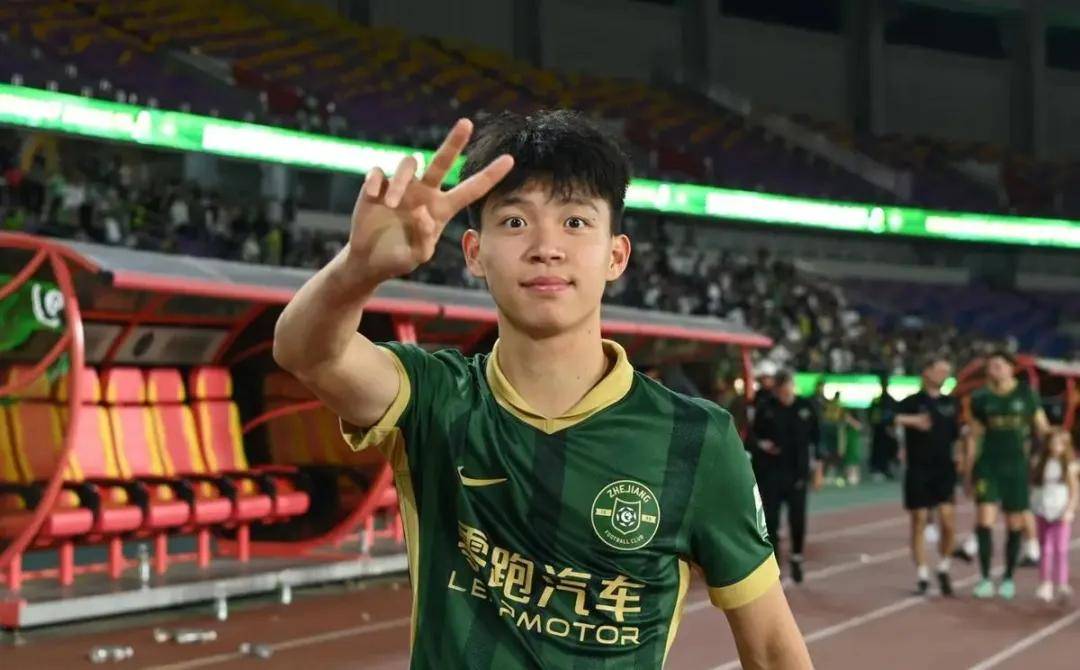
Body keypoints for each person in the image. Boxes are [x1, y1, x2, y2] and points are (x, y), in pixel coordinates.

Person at [273, 112, 811, 668]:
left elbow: (773, 649)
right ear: (474, 253)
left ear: (616, 256)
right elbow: (307, 354)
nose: (546, 247)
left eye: (575, 222)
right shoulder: (434, 399)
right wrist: (357, 269)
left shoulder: (696, 440)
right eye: (515, 222)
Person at [964, 351, 1051, 600]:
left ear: (1011, 368)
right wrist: (968, 472)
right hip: (988, 466)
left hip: (1016, 467)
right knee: (984, 521)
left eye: (999, 365)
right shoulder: (980, 397)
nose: (994, 370)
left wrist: (1047, 458)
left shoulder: (1026, 394)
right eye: (991, 366)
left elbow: (1043, 429)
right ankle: (984, 578)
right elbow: (974, 436)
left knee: (1015, 524)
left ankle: (1008, 578)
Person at [895, 357, 961, 596]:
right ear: (926, 372)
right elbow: (886, 418)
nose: (944, 374)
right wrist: (912, 421)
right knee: (919, 520)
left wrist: (962, 458)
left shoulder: (951, 403)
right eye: (940, 370)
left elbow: (959, 435)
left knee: (948, 522)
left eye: (947, 371)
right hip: (918, 469)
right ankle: (922, 574)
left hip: (944, 469)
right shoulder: (911, 402)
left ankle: (943, 566)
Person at [752, 370, 824, 584]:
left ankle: (796, 557)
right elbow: (753, 437)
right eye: (780, 391)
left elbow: (817, 439)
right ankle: (773, 562)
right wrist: (763, 445)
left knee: (797, 519)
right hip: (771, 473)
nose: (784, 395)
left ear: (792, 386)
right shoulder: (766, 408)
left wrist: (818, 470)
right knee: (771, 520)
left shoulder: (806, 407)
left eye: (787, 389)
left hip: (797, 473)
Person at [1031, 428, 1078, 603]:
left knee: (1061, 549)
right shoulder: (1040, 463)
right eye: (1052, 443)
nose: (1055, 446)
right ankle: (1045, 583)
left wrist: (1069, 510)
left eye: (1059, 443)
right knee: (1045, 548)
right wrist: (1035, 505)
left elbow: (1074, 491)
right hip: (1043, 511)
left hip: (1061, 513)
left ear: (1065, 446)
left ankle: (1062, 583)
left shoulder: (1069, 467)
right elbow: (1035, 486)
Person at [868, 379, 899, 481]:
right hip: (881, 429)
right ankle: (881, 468)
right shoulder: (884, 400)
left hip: (883, 429)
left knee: (883, 450)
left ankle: (882, 468)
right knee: (881, 449)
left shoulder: (884, 400)